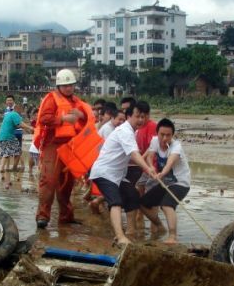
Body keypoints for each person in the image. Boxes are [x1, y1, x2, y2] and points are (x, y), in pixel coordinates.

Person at [33, 69, 95, 228]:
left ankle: (66, 217)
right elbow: (44, 118)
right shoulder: (51, 99)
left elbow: (87, 120)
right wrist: (63, 119)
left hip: (71, 145)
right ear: (59, 86)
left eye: (71, 85)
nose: (68, 88)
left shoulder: (77, 102)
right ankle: (43, 216)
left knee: (67, 183)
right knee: (49, 181)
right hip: (52, 145)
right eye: (65, 85)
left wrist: (81, 116)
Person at [89, 102, 157, 245]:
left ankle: (131, 232)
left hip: (118, 175)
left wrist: (147, 166)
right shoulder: (125, 131)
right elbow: (134, 154)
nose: (140, 120)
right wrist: (147, 168)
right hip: (105, 173)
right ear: (129, 116)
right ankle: (120, 237)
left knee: (132, 196)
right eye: (137, 116)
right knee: (116, 202)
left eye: (143, 117)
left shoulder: (132, 131)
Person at [140, 118, 191, 245]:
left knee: (166, 205)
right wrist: (151, 167)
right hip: (166, 183)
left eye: (168, 135)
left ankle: (173, 236)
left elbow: (170, 162)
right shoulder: (154, 141)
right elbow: (150, 156)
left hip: (180, 183)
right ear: (157, 134)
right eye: (162, 134)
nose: (164, 138)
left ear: (172, 135)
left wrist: (162, 173)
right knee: (142, 203)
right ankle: (160, 226)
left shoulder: (176, 146)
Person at [0, 103, 32, 183]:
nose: (22, 112)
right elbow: (20, 124)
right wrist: (30, 127)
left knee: (5, 153)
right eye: (22, 110)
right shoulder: (15, 114)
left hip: (1, 136)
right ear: (18, 109)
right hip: (9, 136)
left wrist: (27, 130)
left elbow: (17, 126)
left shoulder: (9, 114)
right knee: (18, 151)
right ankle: (14, 168)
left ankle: (1, 168)